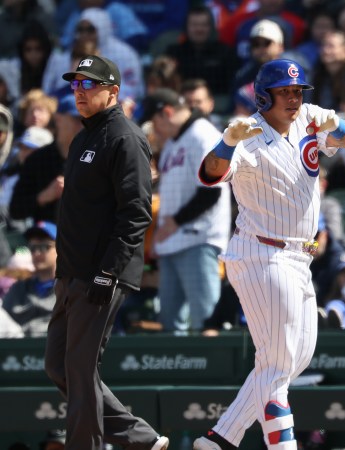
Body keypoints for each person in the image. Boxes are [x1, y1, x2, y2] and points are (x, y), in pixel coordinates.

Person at [194, 58, 345, 450]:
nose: (293, 98)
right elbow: (208, 174)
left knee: (294, 359)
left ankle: (220, 439)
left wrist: (334, 124)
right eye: (285, 92)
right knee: (278, 366)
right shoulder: (247, 134)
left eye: (297, 91)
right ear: (263, 96)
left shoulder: (309, 118)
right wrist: (228, 141)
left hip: (300, 257)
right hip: (262, 254)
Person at [43, 54, 169, 450]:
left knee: (79, 369)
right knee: (58, 365)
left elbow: (135, 213)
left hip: (99, 274)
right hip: (72, 272)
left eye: (89, 84)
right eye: (75, 84)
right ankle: (141, 439)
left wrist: (108, 272)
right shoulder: (84, 136)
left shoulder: (125, 137)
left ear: (113, 91)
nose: (79, 92)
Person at [140, 87, 231, 334]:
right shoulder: (172, 143)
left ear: (167, 113)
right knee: (170, 325)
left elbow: (212, 191)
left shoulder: (203, 135)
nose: (154, 130)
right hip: (173, 242)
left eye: (154, 122)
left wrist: (174, 223)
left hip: (197, 239)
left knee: (206, 322)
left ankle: (214, 372)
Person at [10, 94, 83, 224]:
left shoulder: (95, 158)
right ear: (58, 119)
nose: (82, 125)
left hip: (82, 239)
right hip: (43, 239)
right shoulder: (38, 160)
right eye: (76, 119)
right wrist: (44, 196)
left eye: (86, 120)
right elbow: (15, 209)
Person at [1, 221, 57, 337]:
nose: (36, 253)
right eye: (32, 248)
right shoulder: (18, 288)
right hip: (18, 352)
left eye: (44, 247)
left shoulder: (70, 288)